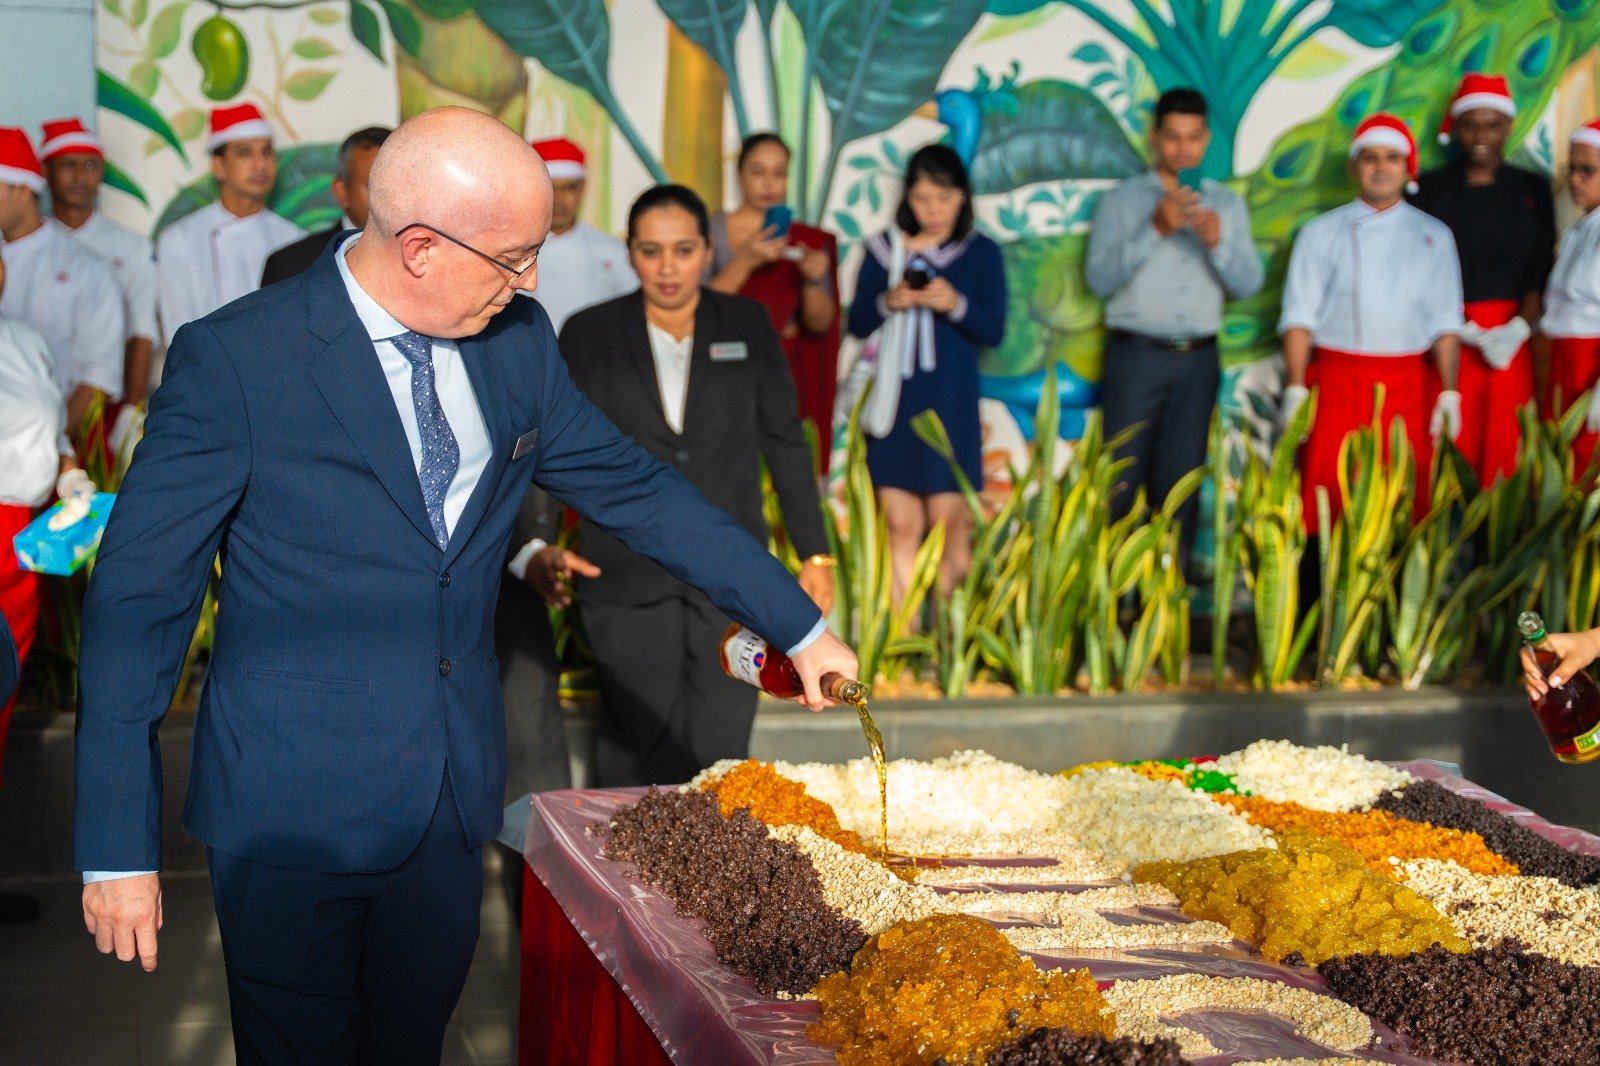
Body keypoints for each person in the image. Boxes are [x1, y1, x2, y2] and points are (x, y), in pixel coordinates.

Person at [72, 107, 857, 1065]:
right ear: (420, 247)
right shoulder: (238, 358)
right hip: (290, 806)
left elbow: (639, 491)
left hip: (447, 800)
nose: (530, 280)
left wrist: (801, 624)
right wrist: (117, 843)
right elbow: (139, 598)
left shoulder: (515, 340)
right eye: (513, 256)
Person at [558, 183, 834, 787]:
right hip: (623, 578)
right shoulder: (587, 333)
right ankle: (615, 884)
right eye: (650, 250)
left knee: (721, 760)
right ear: (629, 253)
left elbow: (785, 440)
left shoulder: (747, 322)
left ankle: (706, 883)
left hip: (731, 583)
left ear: (709, 251)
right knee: (631, 757)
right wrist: (536, 546)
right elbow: (549, 448)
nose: (667, 267)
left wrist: (814, 552)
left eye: (683, 250)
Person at [1086, 88, 1263, 571]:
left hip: (1198, 362)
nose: (1182, 148)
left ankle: (1169, 619)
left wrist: (1219, 244)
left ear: (1206, 138)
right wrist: (1155, 230)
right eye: (1172, 137)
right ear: (1155, 137)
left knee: (1181, 487)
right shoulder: (1120, 202)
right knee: (1118, 488)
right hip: (1134, 359)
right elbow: (1097, 280)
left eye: (1192, 137)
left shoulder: (1227, 205)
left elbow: (1248, 284)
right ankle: (1112, 615)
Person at [1278, 113, 1463, 527]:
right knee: (1327, 502)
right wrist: (1293, 389)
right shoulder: (1319, 232)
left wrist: (1449, 394)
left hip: (1409, 387)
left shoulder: (1434, 235)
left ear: (1407, 168)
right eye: (1370, 158)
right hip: (1337, 384)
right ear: (1353, 166)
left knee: (1403, 503)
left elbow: (1445, 323)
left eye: (1392, 158)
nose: (1381, 168)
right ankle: (1317, 591)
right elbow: (1298, 316)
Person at [847, 143, 1007, 601]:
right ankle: (902, 648)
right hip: (893, 406)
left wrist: (953, 304)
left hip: (950, 406)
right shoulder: (883, 251)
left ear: (963, 197)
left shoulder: (981, 253)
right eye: (922, 198)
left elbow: (993, 330)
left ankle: (950, 655)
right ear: (906, 199)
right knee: (900, 525)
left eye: (944, 197)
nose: (933, 210)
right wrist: (888, 301)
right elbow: (857, 322)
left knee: (949, 523)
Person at [1411, 74, 1556, 486]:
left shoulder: (1532, 188)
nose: (1480, 136)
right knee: (1445, 454)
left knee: (1505, 456)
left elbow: (1540, 269)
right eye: (1471, 124)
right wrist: (1458, 325)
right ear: (1455, 127)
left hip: (1510, 346)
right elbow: (1420, 269)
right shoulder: (1429, 189)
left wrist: (1518, 328)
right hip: (1450, 340)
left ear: (1508, 127)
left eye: (1492, 125)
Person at [708, 132, 840, 470]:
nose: (769, 183)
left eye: (779, 173)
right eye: (758, 171)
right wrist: (746, 260)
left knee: (789, 475)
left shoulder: (807, 240)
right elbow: (699, 309)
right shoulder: (712, 230)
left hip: (787, 373)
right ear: (740, 175)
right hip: (726, 370)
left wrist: (812, 280)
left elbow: (820, 323)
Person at [41, 116, 159, 452]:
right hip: (37, 403)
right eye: (68, 165)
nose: (80, 176)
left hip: (104, 409)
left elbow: (141, 331)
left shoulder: (131, 246)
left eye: (90, 165)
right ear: (46, 173)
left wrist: (131, 411)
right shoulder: (29, 245)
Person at [0, 126, 125, 435]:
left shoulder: (86, 267)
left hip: (57, 445)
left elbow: (98, 376)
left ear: (23, 190)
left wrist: (54, 446)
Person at [156, 102, 303, 338]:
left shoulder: (294, 239)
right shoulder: (179, 239)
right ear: (219, 166)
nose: (260, 165)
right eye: (245, 153)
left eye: (266, 152)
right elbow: (179, 330)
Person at [524, 136, 635, 332]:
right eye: (550, 186)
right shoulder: (514, 252)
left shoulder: (611, 251)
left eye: (569, 187)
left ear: (583, 188)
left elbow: (631, 315)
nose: (558, 198)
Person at [260, 125, 391, 286]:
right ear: (341, 192)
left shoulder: (426, 255)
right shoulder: (291, 267)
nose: (390, 197)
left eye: (401, 184)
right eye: (373, 186)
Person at [1541, 119, 1600, 474]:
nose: (1574, 180)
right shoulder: (1581, 227)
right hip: (1563, 367)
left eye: (1587, 170)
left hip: (1590, 365)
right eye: (1571, 169)